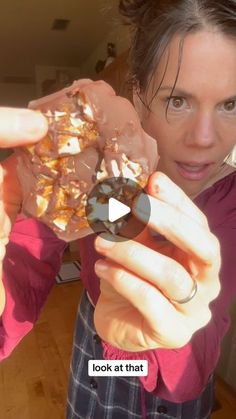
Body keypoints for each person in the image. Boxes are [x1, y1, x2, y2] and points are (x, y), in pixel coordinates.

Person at [0, 0, 236, 418]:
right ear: (139, 97)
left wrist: (172, 337)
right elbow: (22, 261)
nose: (205, 138)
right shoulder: (91, 176)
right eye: (178, 100)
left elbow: (192, 372)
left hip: (178, 388)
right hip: (98, 365)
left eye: (230, 105)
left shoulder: (232, 203)